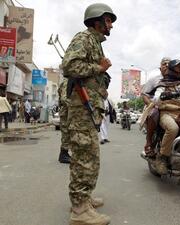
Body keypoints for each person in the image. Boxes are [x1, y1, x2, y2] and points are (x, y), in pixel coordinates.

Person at [61, 3, 116, 225]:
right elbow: (69, 66)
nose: (111, 24)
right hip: (81, 109)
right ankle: (79, 211)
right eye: (108, 20)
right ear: (97, 21)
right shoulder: (84, 38)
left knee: (88, 157)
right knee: (86, 158)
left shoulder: (94, 43)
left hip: (89, 109)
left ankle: (84, 199)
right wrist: (99, 68)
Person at [153, 59, 180, 175]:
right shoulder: (163, 84)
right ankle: (162, 158)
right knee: (173, 128)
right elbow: (156, 100)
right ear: (172, 70)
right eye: (178, 67)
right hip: (167, 113)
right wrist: (165, 95)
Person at [140, 57, 171, 157]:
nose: (166, 65)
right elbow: (144, 94)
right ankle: (149, 143)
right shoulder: (154, 80)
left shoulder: (176, 79)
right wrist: (151, 105)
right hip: (155, 106)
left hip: (171, 107)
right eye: (164, 64)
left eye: (169, 64)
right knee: (154, 112)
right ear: (160, 68)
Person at [58, 78, 71, 164]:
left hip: (67, 111)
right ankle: (63, 154)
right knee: (66, 133)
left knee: (68, 133)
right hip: (66, 112)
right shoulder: (67, 82)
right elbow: (64, 98)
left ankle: (65, 153)